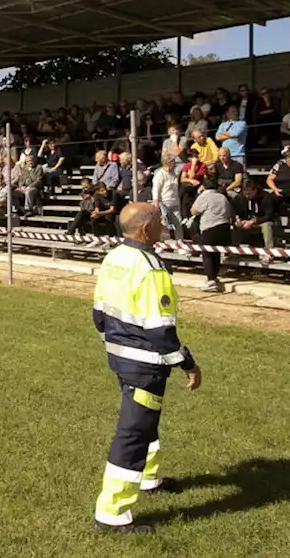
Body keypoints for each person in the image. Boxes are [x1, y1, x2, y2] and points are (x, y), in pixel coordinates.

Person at [91, 203, 201, 534]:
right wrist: (188, 364)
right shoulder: (150, 267)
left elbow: (99, 312)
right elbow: (160, 330)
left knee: (146, 420)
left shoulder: (114, 257)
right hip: (145, 362)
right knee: (134, 432)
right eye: (160, 222)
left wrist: (110, 342)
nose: (164, 226)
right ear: (144, 229)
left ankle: (150, 479)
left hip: (120, 356)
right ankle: (112, 513)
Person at [190, 174, 234, 293]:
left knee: (207, 254)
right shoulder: (222, 197)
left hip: (210, 228)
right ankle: (214, 277)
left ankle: (210, 280)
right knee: (216, 254)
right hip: (224, 228)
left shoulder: (204, 196)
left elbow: (193, 211)